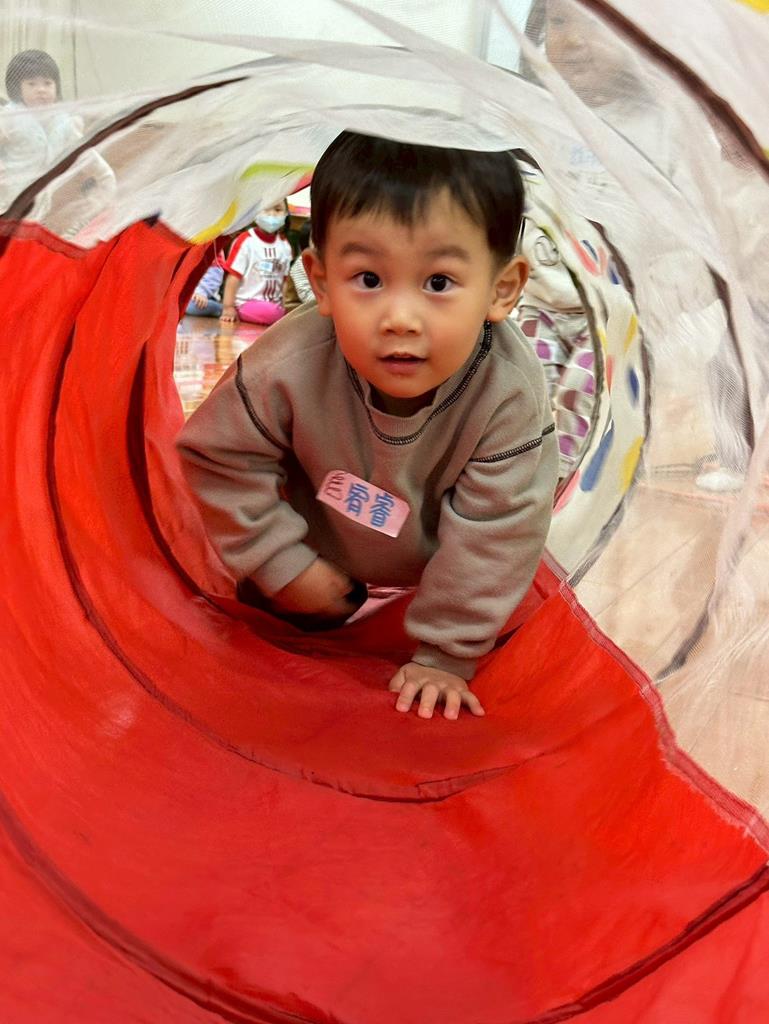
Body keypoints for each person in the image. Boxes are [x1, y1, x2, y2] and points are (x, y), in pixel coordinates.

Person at [178, 131, 558, 720]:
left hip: (432, 569)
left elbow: (499, 530)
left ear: (501, 290)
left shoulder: (508, 395)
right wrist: (281, 563)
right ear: (322, 281)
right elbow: (219, 455)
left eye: (438, 283)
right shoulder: (289, 363)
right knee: (252, 678)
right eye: (369, 279)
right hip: (311, 557)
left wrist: (447, 653)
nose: (399, 319)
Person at [0, 49, 115, 229]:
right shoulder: (9, 118)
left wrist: (100, 197)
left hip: (38, 211)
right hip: (5, 205)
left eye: (48, 83)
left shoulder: (64, 125)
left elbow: (96, 166)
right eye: (32, 84)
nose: (41, 90)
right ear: (17, 88)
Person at [219, 200, 292, 325]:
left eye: (278, 209)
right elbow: (233, 277)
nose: (272, 214)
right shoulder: (246, 241)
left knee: (286, 315)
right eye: (266, 208)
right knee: (275, 315)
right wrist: (228, 307)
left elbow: (284, 281)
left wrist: (284, 306)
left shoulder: (285, 245)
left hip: (274, 306)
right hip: (246, 303)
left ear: (286, 214)